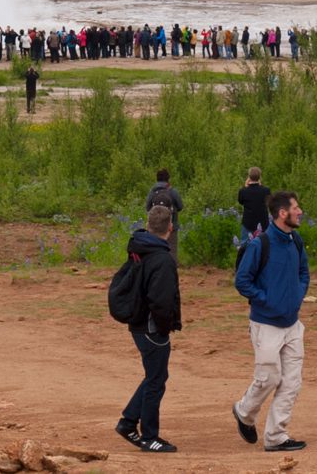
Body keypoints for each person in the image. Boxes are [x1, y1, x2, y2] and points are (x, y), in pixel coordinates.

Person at [233, 189, 310, 452]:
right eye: (296, 208)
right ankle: (244, 412)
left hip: (292, 324)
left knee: (291, 382)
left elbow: (303, 273)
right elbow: (242, 281)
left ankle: (276, 436)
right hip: (265, 324)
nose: (300, 212)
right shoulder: (260, 244)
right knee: (269, 377)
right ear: (282, 213)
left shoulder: (296, 241)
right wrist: (266, 299)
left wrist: (297, 295)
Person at [116, 205, 181, 454]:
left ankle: (128, 423)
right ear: (170, 227)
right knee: (156, 380)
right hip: (152, 328)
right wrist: (165, 328)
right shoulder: (162, 258)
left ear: (149, 224)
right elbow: (161, 300)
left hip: (138, 322)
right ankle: (149, 437)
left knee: (156, 376)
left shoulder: (139, 247)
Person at [145, 168, 184, 255]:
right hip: (171, 225)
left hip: (154, 226)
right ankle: (171, 266)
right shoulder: (173, 191)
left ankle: (156, 266)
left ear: (157, 178)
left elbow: (147, 207)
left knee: (155, 249)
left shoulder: (152, 191)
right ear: (168, 178)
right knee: (172, 249)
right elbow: (180, 206)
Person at [237, 167, 271, 238]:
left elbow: (241, 201)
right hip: (263, 223)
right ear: (259, 177)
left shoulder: (243, 191)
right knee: (264, 245)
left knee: (246, 245)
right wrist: (260, 185)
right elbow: (268, 203)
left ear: (249, 177)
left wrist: (245, 186)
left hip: (248, 223)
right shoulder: (266, 191)